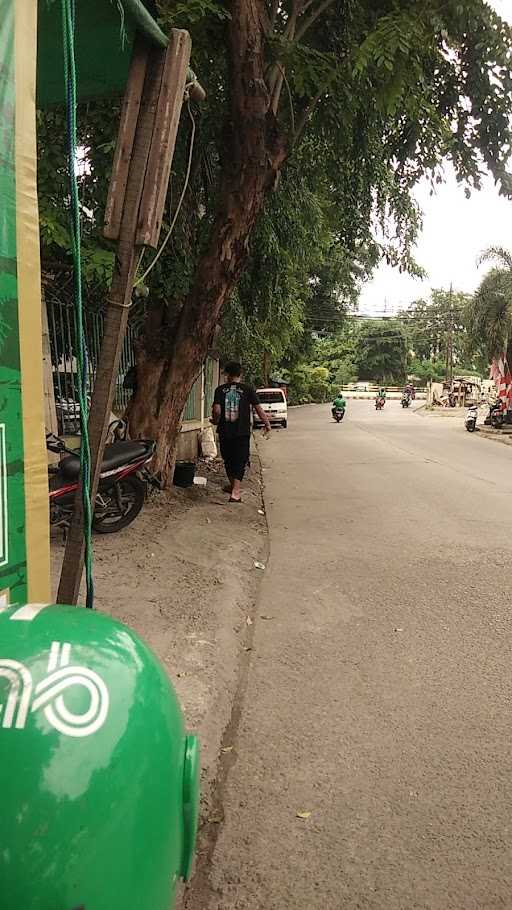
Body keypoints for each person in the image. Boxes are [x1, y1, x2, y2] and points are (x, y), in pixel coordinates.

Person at [212, 361, 271, 502]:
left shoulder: (220, 390)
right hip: (242, 432)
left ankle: (233, 487)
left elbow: (216, 410)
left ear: (227, 374)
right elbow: (258, 408)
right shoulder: (248, 389)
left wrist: (215, 420)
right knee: (240, 459)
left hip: (225, 431)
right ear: (240, 374)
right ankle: (236, 492)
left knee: (228, 459)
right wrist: (267, 424)